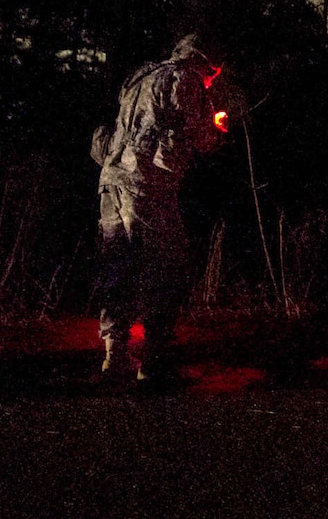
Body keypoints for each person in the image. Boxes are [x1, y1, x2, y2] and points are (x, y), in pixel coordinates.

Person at [91, 32, 231, 386]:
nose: (212, 78)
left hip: (110, 179)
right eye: (212, 72)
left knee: (117, 266)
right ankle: (153, 361)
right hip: (146, 185)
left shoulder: (142, 74)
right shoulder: (184, 80)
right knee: (164, 264)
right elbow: (202, 137)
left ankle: (113, 355)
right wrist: (219, 128)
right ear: (202, 60)